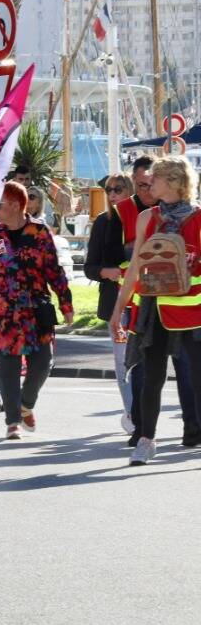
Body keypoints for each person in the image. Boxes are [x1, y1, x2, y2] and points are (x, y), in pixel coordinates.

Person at [111, 156, 201, 464]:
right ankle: (146, 440)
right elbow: (135, 267)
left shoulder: (199, 218)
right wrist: (117, 311)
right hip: (154, 310)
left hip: (193, 310)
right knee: (152, 377)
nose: (150, 183)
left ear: (174, 182)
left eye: (157, 178)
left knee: (198, 377)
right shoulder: (146, 218)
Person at [0, 181, 73, 441]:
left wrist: (66, 302)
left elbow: (54, 269)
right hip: (2, 313)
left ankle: (26, 404)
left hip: (35, 311)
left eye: (0, 204)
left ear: (16, 205)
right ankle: (13, 421)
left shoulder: (40, 232)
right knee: (7, 367)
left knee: (42, 363)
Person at [84, 172, 137, 432]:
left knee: (143, 363)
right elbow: (90, 267)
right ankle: (132, 414)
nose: (113, 194)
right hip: (115, 302)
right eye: (109, 190)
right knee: (121, 362)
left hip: (142, 302)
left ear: (130, 190)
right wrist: (106, 272)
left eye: (118, 188)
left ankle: (140, 412)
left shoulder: (143, 218)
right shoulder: (102, 224)